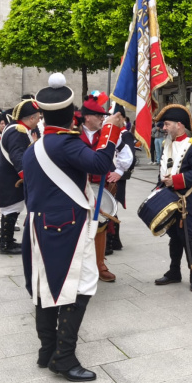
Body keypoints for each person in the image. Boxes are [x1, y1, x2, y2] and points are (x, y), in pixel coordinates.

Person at [20, 73, 123, 382]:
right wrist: (112, 130)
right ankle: (63, 357)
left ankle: (46, 351)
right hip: (67, 227)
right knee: (83, 284)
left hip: (39, 227)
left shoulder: (34, 147)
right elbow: (102, 165)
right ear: (70, 113)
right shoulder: (65, 143)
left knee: (47, 288)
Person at [153, 104, 192, 292]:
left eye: (167, 124)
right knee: (174, 236)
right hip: (168, 199)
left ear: (179, 124)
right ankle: (174, 272)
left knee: (188, 237)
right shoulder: (167, 143)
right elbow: (162, 170)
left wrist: (174, 181)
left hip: (185, 199)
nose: (164, 128)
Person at [78, 95, 117, 282]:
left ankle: (99, 264)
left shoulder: (105, 134)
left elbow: (118, 154)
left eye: (103, 116)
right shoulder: (74, 133)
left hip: (100, 183)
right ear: (87, 117)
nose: (103, 118)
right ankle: (78, 265)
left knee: (101, 223)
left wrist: (115, 173)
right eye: (99, 115)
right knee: (80, 225)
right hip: (79, 186)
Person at [0, 99, 39, 254]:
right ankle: (6, 243)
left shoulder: (15, 128)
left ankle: (6, 240)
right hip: (12, 178)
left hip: (10, 177)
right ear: (31, 118)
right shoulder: (17, 131)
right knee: (11, 209)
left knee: (13, 208)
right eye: (38, 117)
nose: (39, 121)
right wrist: (26, 176)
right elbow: (17, 156)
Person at [104, 103, 136, 255]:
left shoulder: (125, 134)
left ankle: (112, 242)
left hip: (117, 178)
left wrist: (119, 173)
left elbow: (132, 159)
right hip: (109, 176)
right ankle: (113, 241)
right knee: (109, 207)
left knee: (112, 208)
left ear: (122, 118)